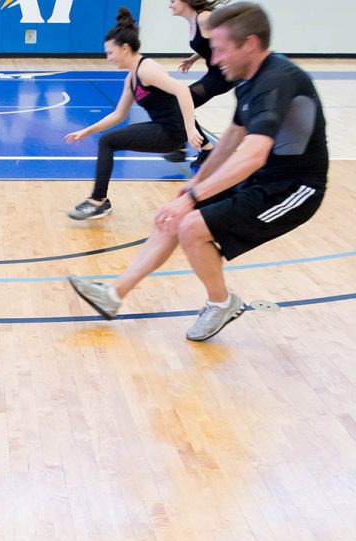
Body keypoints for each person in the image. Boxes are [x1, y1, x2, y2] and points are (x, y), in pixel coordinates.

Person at [67, 2, 328, 342]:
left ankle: (221, 303)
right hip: (263, 177)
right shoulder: (249, 80)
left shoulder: (276, 80)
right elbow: (232, 137)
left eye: (219, 50)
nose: (214, 60)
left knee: (191, 225)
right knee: (174, 217)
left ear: (249, 44)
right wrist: (196, 182)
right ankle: (113, 295)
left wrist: (193, 196)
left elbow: (253, 153)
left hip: (295, 188)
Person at [64, 8, 202, 221]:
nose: (108, 58)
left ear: (125, 48)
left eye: (110, 52)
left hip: (171, 132)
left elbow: (182, 90)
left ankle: (97, 201)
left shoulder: (147, 69)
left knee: (108, 141)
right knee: (107, 140)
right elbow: (119, 115)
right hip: (163, 128)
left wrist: (191, 128)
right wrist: (86, 131)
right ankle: (99, 200)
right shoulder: (132, 77)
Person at [164, 0, 234, 167]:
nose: (170, 5)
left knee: (179, 103)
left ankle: (205, 150)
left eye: (173, 1)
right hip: (214, 74)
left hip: (224, 76)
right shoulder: (195, 20)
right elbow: (208, 41)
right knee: (179, 103)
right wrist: (193, 58)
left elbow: (230, 36)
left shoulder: (205, 18)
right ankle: (186, 148)